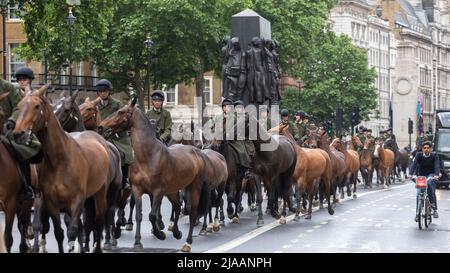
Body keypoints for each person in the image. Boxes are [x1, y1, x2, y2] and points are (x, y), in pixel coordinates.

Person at [1, 67, 42, 200]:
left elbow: (17, 108)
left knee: (18, 150)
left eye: (24, 79)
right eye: (19, 80)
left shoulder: (8, 87)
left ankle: (26, 185)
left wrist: (11, 122)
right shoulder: (18, 90)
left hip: (10, 129)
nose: (21, 82)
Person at [96, 79, 133, 190]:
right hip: (99, 134)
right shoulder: (95, 105)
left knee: (126, 153)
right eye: (100, 91)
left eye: (105, 91)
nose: (103, 93)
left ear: (109, 92)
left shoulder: (117, 104)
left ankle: (124, 179)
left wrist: (110, 131)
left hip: (116, 135)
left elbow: (122, 120)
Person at [409, 141, 440, 220]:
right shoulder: (418, 155)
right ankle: (417, 214)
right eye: (424, 148)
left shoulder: (434, 155)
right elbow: (414, 165)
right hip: (421, 176)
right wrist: (410, 174)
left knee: (429, 184)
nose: (426, 149)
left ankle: (433, 206)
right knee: (419, 193)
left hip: (431, 175)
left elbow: (437, 166)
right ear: (422, 149)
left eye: (428, 148)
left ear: (431, 149)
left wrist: (436, 174)